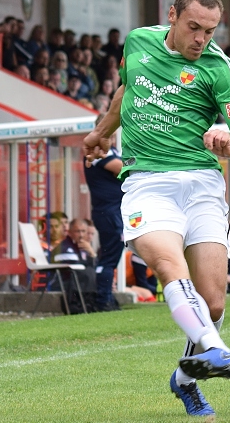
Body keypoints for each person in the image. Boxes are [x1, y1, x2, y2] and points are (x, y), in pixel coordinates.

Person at [83, 0, 230, 417]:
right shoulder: (139, 40)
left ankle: (184, 380)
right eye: (194, 27)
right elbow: (126, 92)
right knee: (167, 264)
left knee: (214, 302)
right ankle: (215, 349)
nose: (202, 39)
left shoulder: (222, 69)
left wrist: (229, 146)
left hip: (201, 183)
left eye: (211, 31)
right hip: (147, 181)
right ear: (173, 15)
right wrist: (101, 133)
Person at [84, 114, 125, 312]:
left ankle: (107, 297)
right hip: (107, 211)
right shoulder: (98, 152)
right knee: (109, 256)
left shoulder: (112, 150)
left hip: (112, 211)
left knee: (111, 254)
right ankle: (103, 300)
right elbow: (122, 169)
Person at [50, 218, 98, 313]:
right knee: (88, 273)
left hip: (75, 282)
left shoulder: (82, 247)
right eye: (77, 231)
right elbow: (76, 269)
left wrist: (92, 253)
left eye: (83, 231)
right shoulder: (65, 248)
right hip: (61, 282)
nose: (80, 235)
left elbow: (94, 267)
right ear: (70, 232)